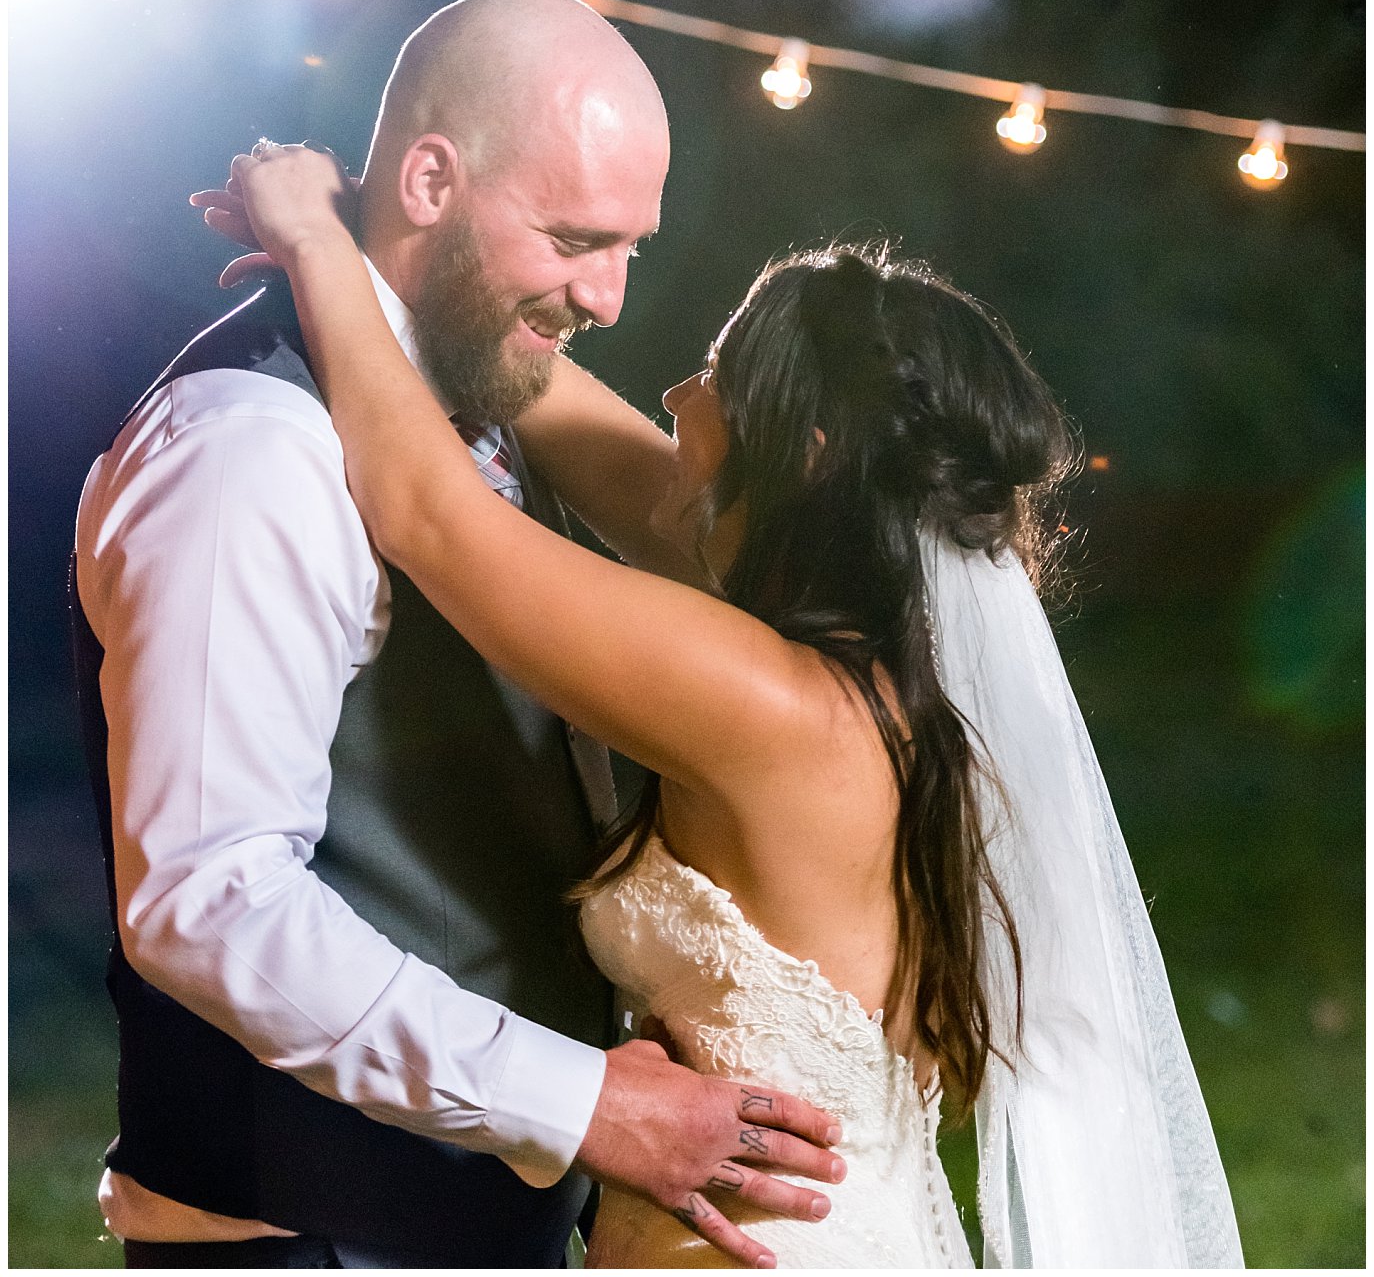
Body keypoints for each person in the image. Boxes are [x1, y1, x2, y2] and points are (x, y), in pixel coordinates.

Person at [201, 141, 1246, 1270]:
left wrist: (311, 237)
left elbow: (426, 510)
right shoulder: (883, 675)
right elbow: (568, 419)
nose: (676, 396)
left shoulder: (763, 700)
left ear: (800, 453)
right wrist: (412, 255)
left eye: (716, 378)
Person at [72, 0, 840, 1272]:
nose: (608, 295)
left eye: (632, 246)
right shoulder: (252, 447)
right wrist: (587, 1101)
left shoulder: (475, 389)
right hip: (311, 1238)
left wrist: (328, 246)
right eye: (576, 236)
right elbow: (209, 901)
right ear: (429, 177)